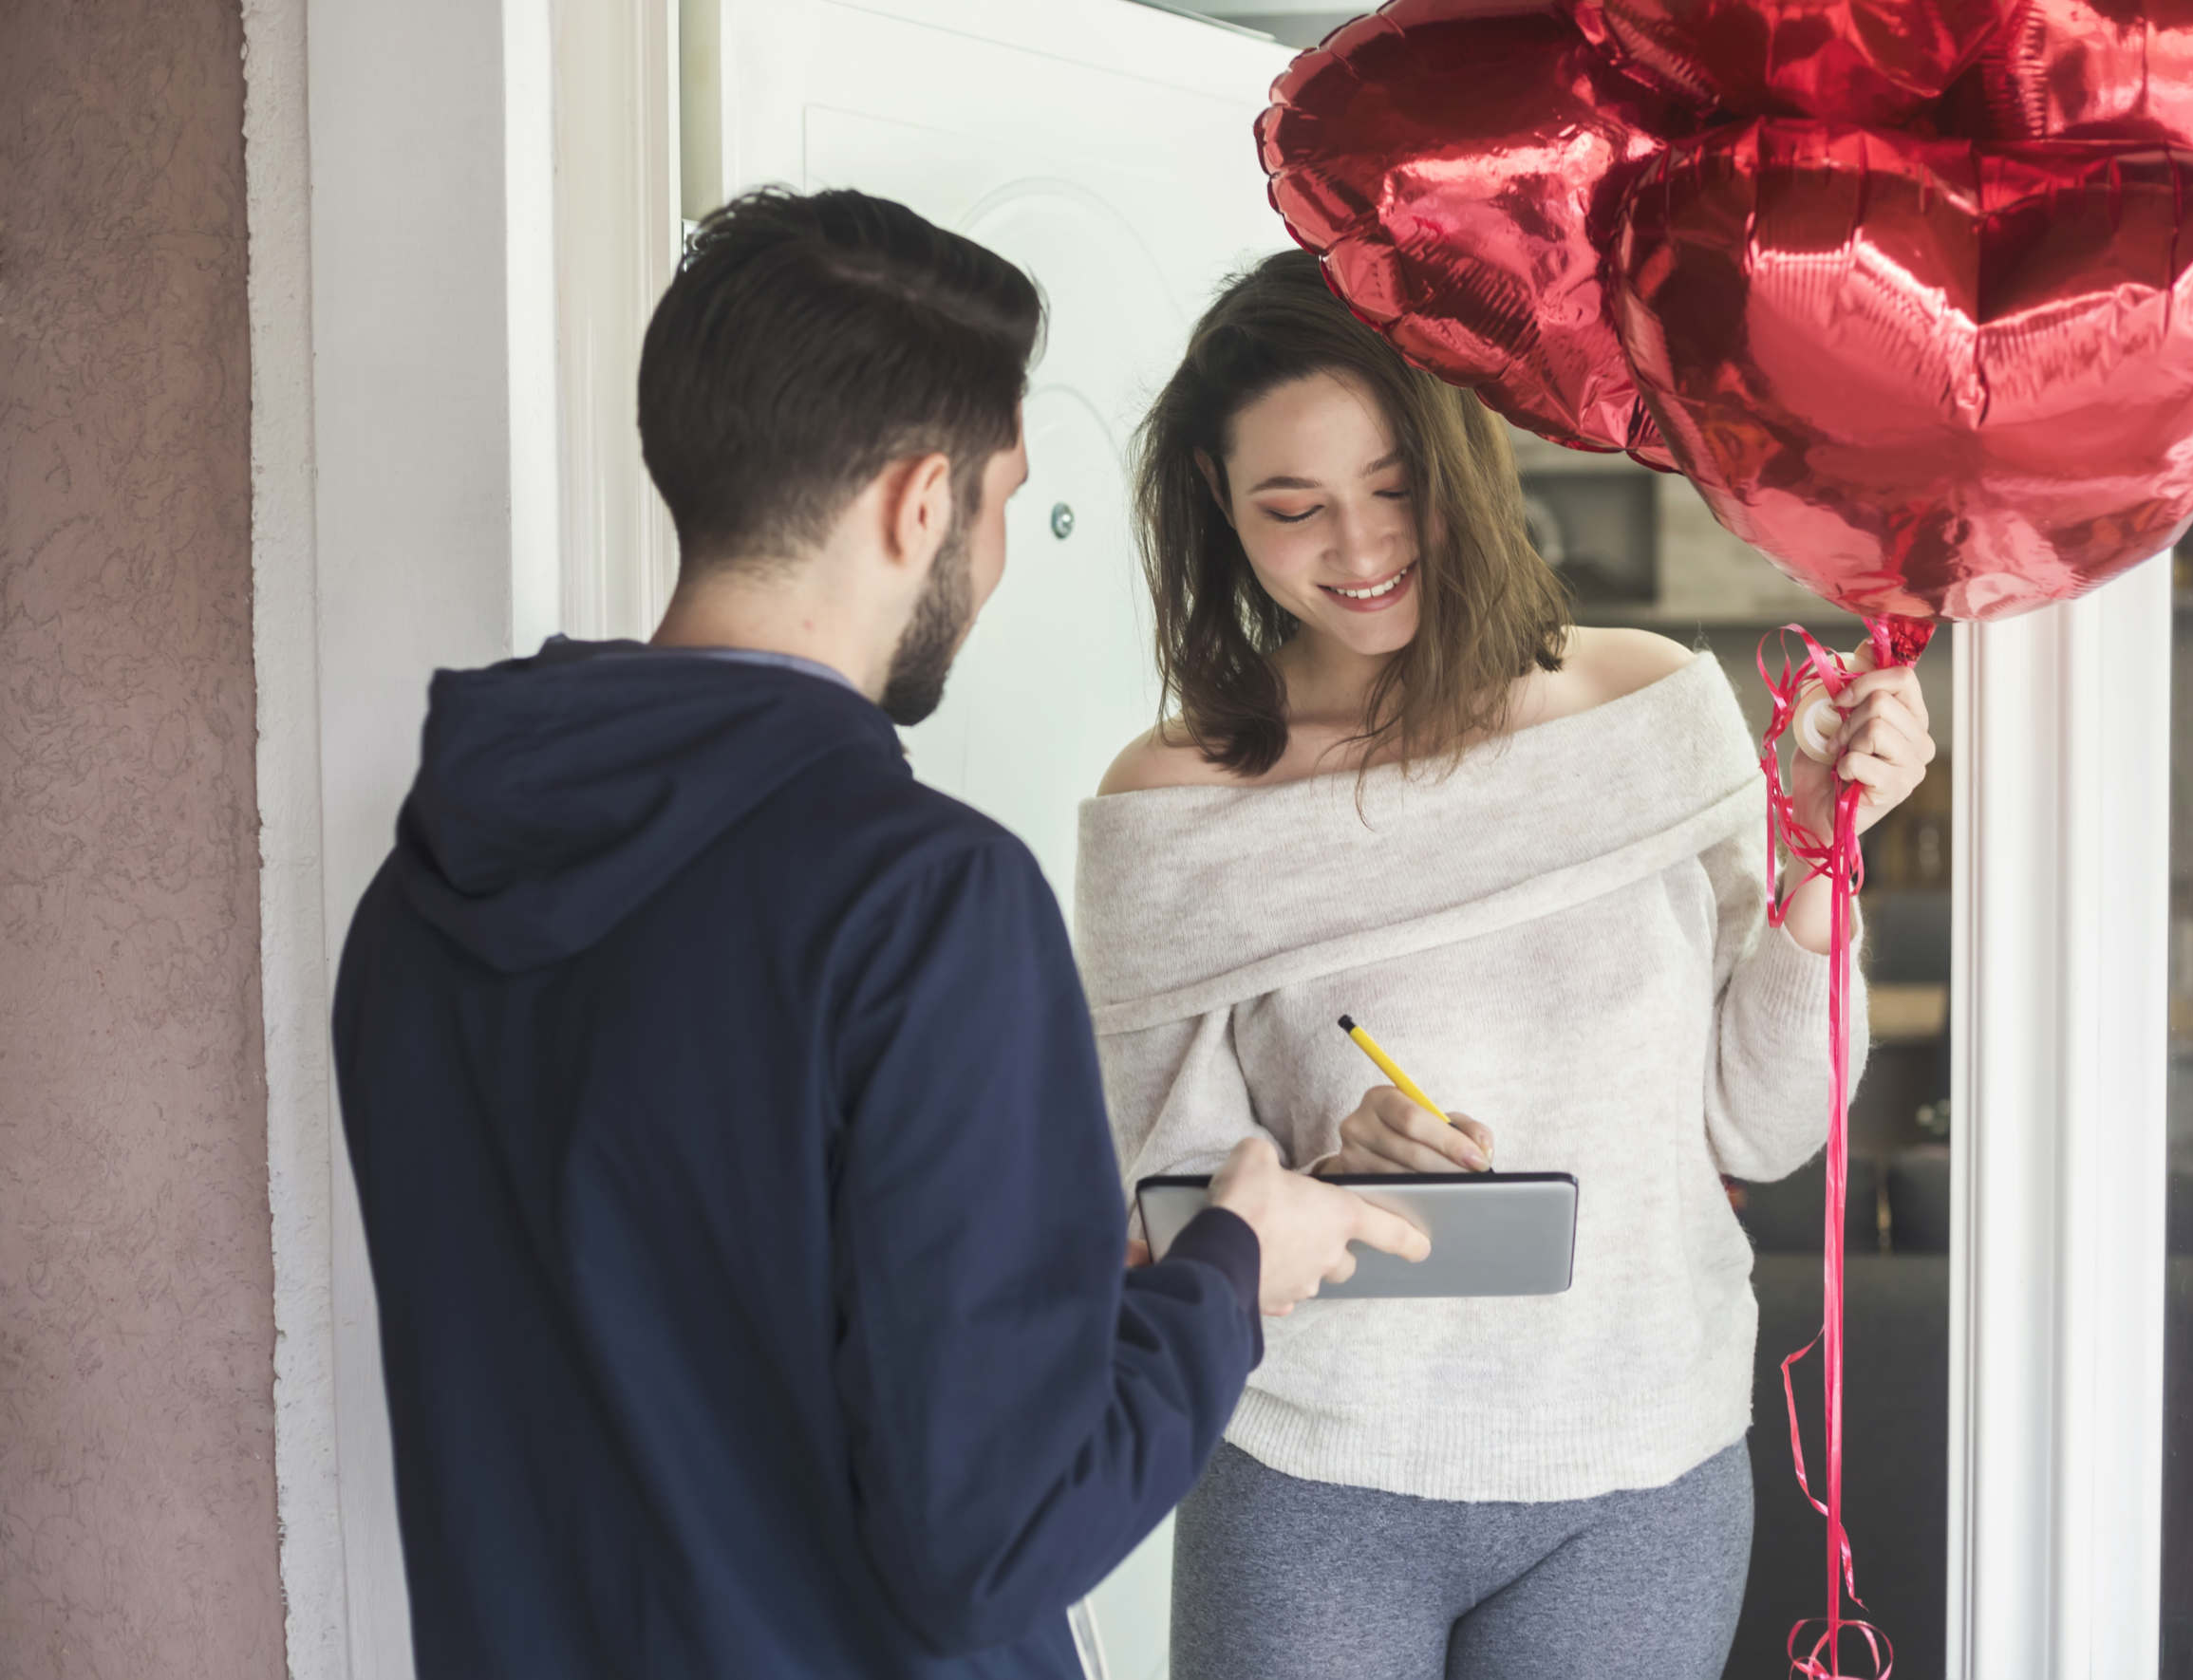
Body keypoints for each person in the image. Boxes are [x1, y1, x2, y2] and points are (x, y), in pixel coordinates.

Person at [329, 190, 1425, 1680]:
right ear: (924, 503)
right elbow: (994, 1540)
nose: (995, 553)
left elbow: (684, 1316)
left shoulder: (425, 893)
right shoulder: (925, 902)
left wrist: (1060, 1267)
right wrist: (1232, 1271)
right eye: (1002, 499)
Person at [1075, 251, 1936, 1680]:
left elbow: (1764, 1125)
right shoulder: (1171, 806)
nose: (1357, 546)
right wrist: (1318, 1169)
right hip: (1312, 1469)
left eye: (1392, 485)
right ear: (1221, 516)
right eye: (1292, 507)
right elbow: (1165, 1211)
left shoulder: (1651, 707)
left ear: (1460, 464)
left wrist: (1824, 864)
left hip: (1638, 1469)